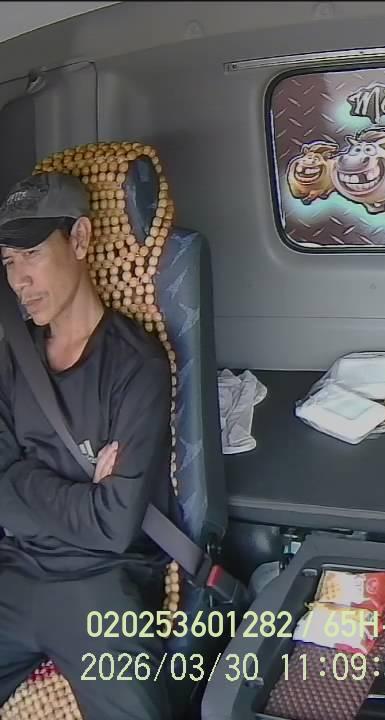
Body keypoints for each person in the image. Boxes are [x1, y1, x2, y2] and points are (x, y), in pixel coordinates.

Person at [0, 172, 174, 719]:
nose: (19, 279)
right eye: (8, 261)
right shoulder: (10, 357)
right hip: (15, 571)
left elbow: (114, 527)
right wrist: (84, 494)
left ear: (78, 239)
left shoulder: (136, 367)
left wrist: (22, 477)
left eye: (31, 253)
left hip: (100, 584)